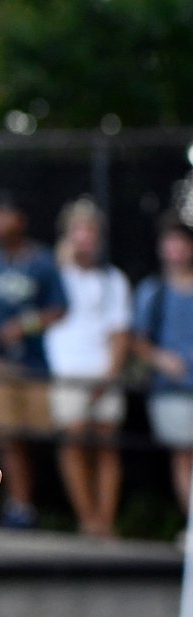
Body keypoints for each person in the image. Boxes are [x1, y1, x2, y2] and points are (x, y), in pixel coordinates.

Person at [0, 198, 66, 528]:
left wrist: (24, 326)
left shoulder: (42, 261)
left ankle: (53, 510)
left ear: (20, 220)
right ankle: (20, 508)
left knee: (45, 438)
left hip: (36, 363)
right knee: (7, 437)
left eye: (4, 216)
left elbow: (59, 308)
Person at [43, 198, 132, 538]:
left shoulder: (114, 280)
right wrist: (60, 260)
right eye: (77, 230)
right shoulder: (53, 275)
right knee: (73, 445)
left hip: (104, 373)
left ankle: (105, 524)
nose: (84, 237)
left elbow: (120, 334)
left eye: (89, 230)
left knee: (108, 448)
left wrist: (110, 377)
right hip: (66, 373)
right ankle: (88, 522)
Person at [134, 212, 193, 521]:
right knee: (183, 456)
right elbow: (137, 340)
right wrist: (162, 359)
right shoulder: (152, 291)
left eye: (181, 242)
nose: (176, 248)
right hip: (170, 390)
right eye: (170, 241)